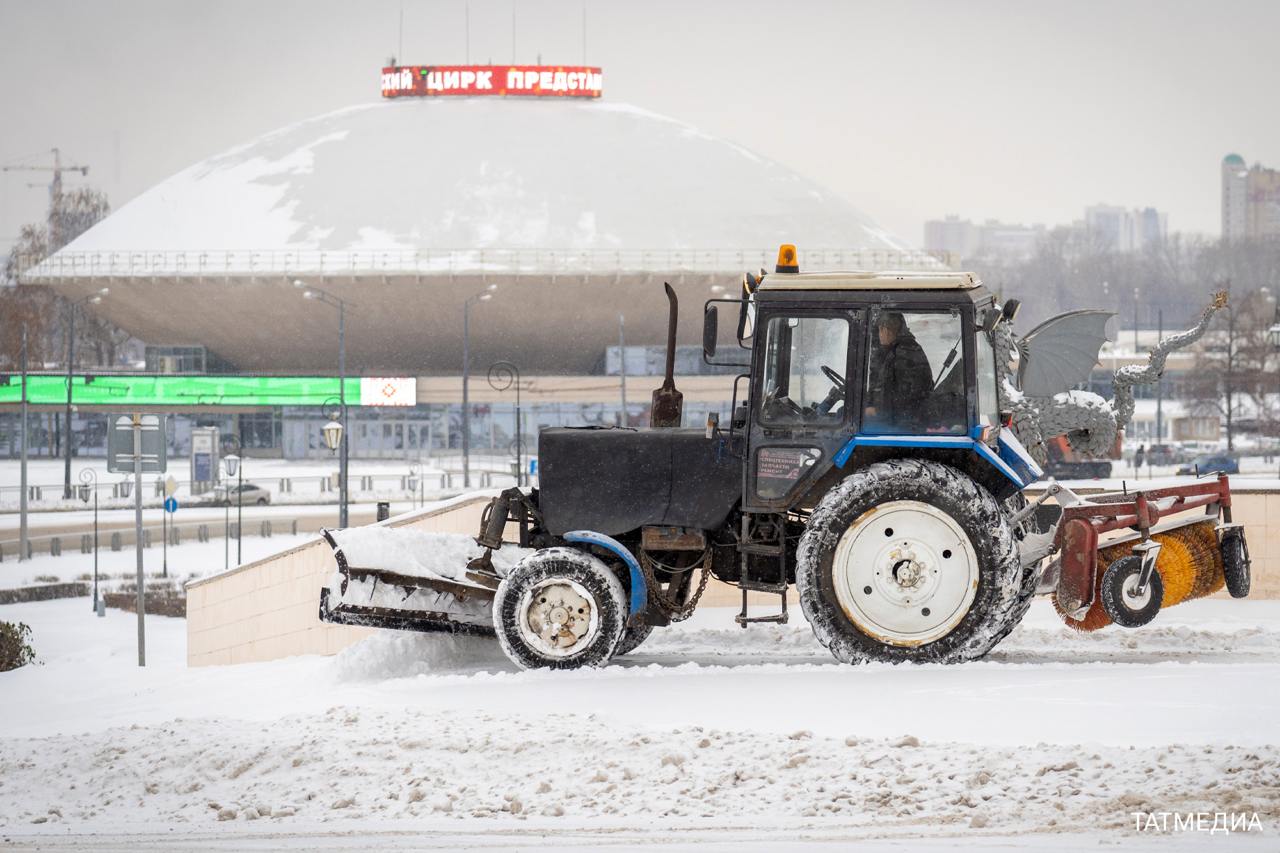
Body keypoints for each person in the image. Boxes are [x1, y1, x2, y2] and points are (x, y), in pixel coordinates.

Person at [865, 311, 933, 431]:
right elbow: (883, 386)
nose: (879, 334)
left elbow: (907, 396)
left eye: (880, 329)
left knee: (847, 420)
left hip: (903, 422)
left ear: (888, 330)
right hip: (897, 417)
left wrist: (877, 410)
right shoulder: (894, 350)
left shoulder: (905, 353)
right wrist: (870, 403)